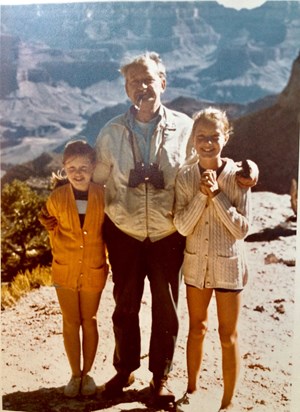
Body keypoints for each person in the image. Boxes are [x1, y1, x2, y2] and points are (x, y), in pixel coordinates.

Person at [93, 52, 258, 407]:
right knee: (125, 306)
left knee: (166, 309)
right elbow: (96, 183)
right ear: (125, 89)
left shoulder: (186, 128)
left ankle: (160, 376)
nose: (142, 87)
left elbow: (213, 155)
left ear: (163, 82)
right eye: (134, 81)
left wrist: (250, 171)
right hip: (125, 231)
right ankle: (124, 369)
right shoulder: (110, 133)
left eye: (148, 79)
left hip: (169, 233)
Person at [174, 107, 255, 411]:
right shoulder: (184, 177)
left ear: (226, 137)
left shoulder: (240, 177)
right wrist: (200, 195)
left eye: (214, 136)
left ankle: (227, 403)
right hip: (196, 265)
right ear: (193, 140)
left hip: (229, 266)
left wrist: (218, 195)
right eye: (201, 137)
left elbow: (241, 229)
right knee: (196, 328)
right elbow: (182, 225)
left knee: (227, 335)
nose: (208, 143)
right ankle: (191, 390)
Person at [40, 140, 108, 398]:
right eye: (71, 168)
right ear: (64, 168)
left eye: (83, 167)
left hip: (93, 268)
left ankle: (87, 373)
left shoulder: (103, 195)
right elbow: (47, 219)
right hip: (64, 269)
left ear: (93, 167)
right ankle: (74, 374)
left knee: (89, 321)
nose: (78, 173)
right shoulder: (57, 198)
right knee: (70, 321)